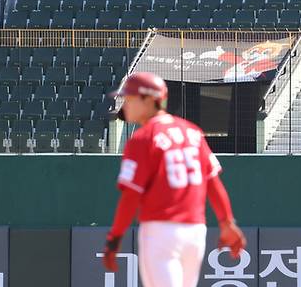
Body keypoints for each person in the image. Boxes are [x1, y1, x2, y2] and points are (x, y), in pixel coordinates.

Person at [103, 72, 246, 287]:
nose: (125, 104)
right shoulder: (193, 132)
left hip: (160, 232)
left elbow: (131, 195)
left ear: (150, 100)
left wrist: (114, 238)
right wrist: (226, 222)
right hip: (195, 232)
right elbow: (213, 183)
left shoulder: (143, 139)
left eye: (130, 98)